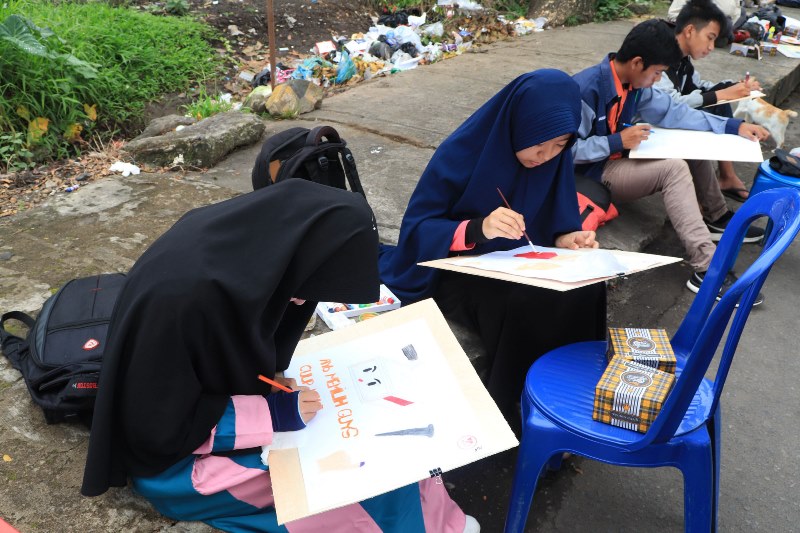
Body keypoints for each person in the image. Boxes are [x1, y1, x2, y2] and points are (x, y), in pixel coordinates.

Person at [81, 179, 479, 533]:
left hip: (214, 423)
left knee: (405, 450)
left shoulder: (255, 254)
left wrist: (268, 378)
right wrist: (271, 414)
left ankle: (442, 522)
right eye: (304, 290)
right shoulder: (183, 301)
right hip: (181, 468)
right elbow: (156, 424)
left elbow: (236, 349)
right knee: (361, 479)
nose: (301, 302)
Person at [378, 70, 607, 424]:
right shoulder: (462, 153)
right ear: (517, 124)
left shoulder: (553, 158)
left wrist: (568, 238)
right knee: (523, 303)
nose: (545, 156)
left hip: (520, 264)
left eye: (560, 145)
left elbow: (556, 219)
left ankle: (575, 400)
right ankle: (514, 409)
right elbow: (418, 231)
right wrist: (477, 227)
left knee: (586, 286)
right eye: (539, 144)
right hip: (457, 270)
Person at [571, 18, 768, 303]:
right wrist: (617, 141)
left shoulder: (637, 86)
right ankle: (708, 269)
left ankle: (716, 215)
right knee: (673, 168)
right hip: (593, 174)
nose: (657, 81)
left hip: (621, 156)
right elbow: (566, 151)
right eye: (657, 73)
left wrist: (732, 126)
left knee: (690, 141)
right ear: (638, 63)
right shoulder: (586, 89)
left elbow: (676, 113)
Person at [656, 0, 761, 202]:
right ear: (689, 31)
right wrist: (722, 94)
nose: (712, 47)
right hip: (648, 126)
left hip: (667, 116)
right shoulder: (660, 55)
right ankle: (712, 199)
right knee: (714, 105)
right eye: (709, 38)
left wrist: (735, 87)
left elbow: (698, 86)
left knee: (718, 103)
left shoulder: (682, 57)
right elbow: (667, 105)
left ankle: (727, 176)